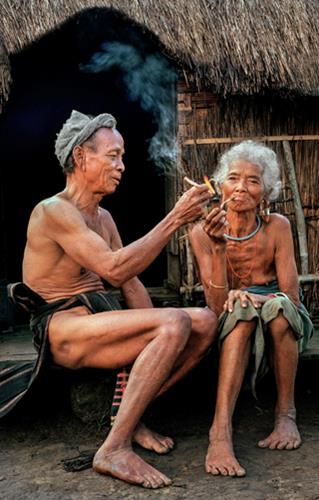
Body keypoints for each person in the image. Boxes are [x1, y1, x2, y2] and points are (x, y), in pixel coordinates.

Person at [22, 110, 218, 489]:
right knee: (174, 321)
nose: (122, 166)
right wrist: (175, 217)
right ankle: (113, 448)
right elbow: (113, 270)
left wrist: (160, 336)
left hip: (99, 326)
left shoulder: (104, 217)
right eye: (113, 156)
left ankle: (132, 415)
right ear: (81, 157)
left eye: (122, 156)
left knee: (205, 321)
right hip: (62, 331)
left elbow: (130, 283)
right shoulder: (53, 211)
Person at [189, 140, 313, 478]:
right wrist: (217, 249)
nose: (242, 187)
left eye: (253, 181)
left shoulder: (278, 227)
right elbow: (216, 307)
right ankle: (220, 432)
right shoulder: (201, 233)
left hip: (277, 308)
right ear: (220, 186)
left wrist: (256, 298)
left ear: (266, 193)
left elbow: (291, 295)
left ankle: (286, 415)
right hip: (233, 314)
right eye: (233, 178)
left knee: (278, 310)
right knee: (240, 313)